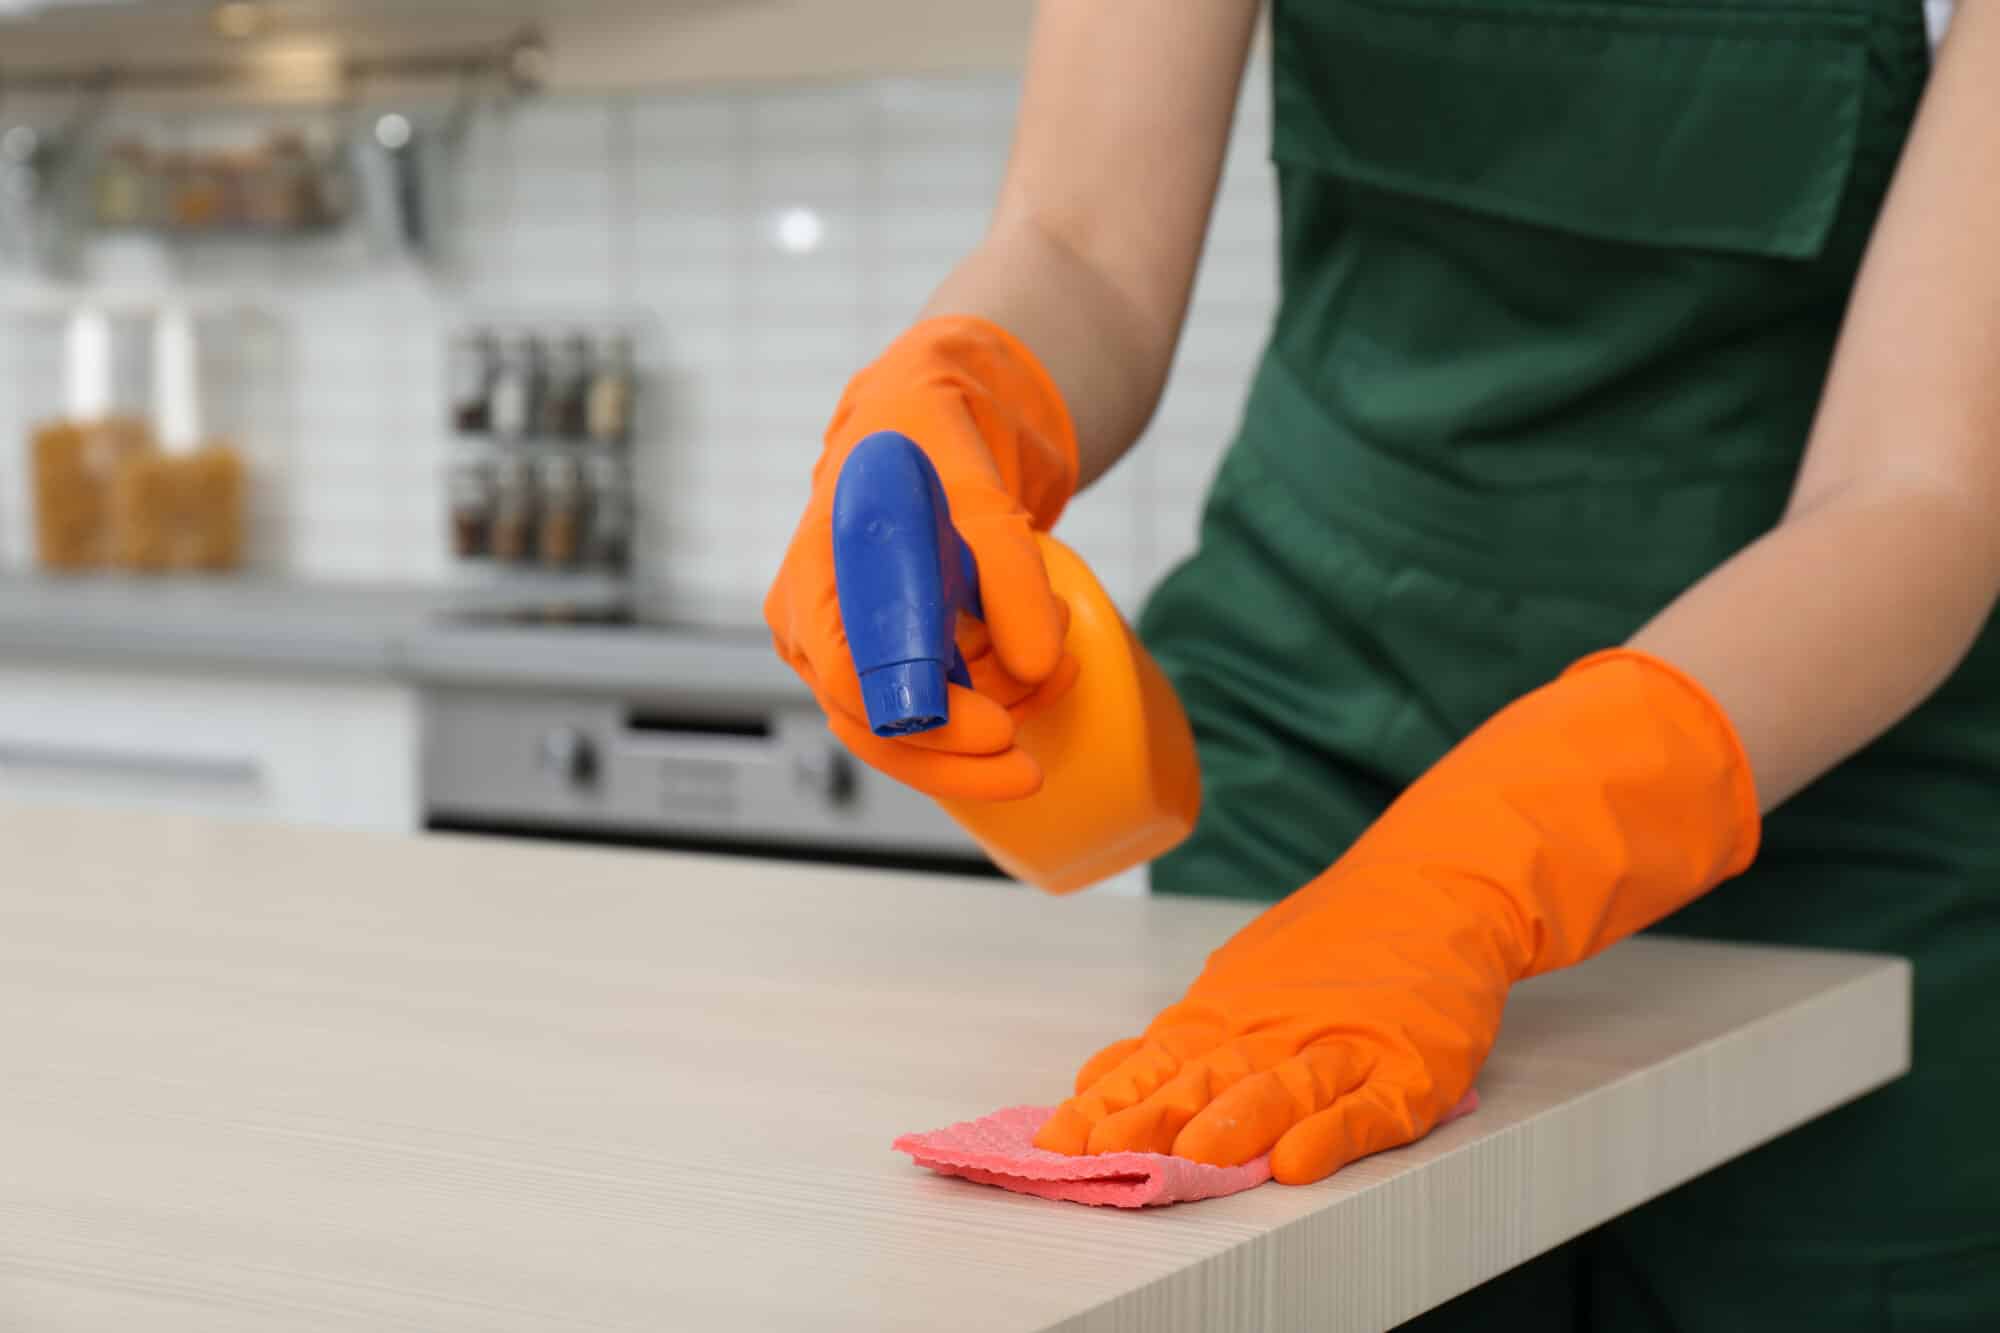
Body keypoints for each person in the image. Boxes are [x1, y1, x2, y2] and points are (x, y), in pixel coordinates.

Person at [765, 1, 1999, 1326]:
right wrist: (962, 395)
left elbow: (1918, 491)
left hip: (1838, 788)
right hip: (1316, 742)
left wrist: (1470, 871)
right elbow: (1079, 243)